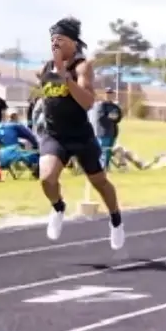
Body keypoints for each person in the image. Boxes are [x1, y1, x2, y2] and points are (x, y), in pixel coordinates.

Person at [38, 17, 125, 250]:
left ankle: (115, 218)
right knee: (46, 178)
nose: (55, 44)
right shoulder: (46, 68)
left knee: (99, 182)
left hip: (80, 136)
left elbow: (88, 102)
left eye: (60, 40)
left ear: (73, 43)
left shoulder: (82, 67)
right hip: (55, 135)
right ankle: (58, 207)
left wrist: (67, 78)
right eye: (52, 40)